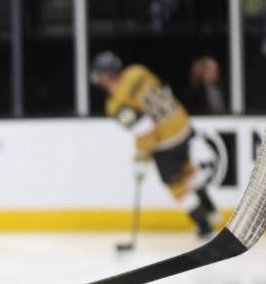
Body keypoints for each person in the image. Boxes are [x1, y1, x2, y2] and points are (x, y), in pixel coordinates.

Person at [90, 50, 218, 238]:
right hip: (181, 122)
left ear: (105, 76)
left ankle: (204, 225)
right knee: (188, 170)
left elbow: (146, 130)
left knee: (176, 185)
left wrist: (141, 158)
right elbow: (162, 89)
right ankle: (212, 211)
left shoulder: (115, 103)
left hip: (166, 141)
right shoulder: (137, 71)